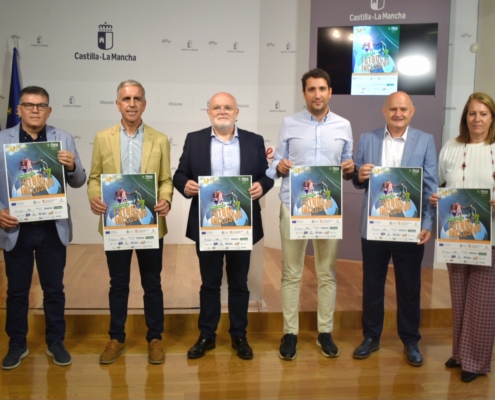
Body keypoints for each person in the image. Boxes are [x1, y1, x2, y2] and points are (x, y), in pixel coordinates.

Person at [173, 92, 273, 360]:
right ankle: (207, 335)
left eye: (228, 107)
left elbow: (266, 176)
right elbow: (180, 174)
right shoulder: (194, 140)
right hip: (208, 224)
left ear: (237, 112)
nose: (222, 111)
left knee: (239, 283)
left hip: (242, 223)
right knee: (210, 283)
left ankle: (239, 335)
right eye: (216, 107)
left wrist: (261, 185)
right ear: (209, 112)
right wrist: (186, 185)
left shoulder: (254, 140)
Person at [266, 68, 355, 360]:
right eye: (311, 89)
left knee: (327, 273)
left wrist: (350, 169)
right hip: (293, 205)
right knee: (291, 273)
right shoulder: (289, 123)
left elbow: (347, 166)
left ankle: (324, 332)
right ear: (304, 93)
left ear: (330, 92)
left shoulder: (344, 125)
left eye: (322, 89)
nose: (317, 94)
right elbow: (276, 164)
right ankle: (290, 333)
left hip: (327, 209)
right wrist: (279, 167)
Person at [87, 80, 173, 365]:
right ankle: (116, 338)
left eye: (137, 99)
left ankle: (155, 338)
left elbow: (165, 180)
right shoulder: (103, 138)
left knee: (152, 283)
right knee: (118, 283)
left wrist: (166, 199)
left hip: (150, 224)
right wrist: (94, 197)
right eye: (126, 99)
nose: (132, 104)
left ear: (144, 104)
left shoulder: (160, 139)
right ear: (118, 104)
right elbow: (95, 178)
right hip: (117, 223)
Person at [0, 86, 85, 369]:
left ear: (49, 111)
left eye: (41, 106)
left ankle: (55, 342)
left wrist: (72, 166)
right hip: (16, 229)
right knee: (17, 291)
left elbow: (78, 181)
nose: (35, 110)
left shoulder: (63, 138)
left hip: (52, 227)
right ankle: (17, 344)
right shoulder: (2, 140)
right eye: (29, 105)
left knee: (54, 289)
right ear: (19, 109)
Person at [352, 91, 438, 367]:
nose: (398, 114)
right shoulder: (368, 138)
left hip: (409, 228)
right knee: (372, 285)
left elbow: (431, 186)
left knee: (409, 287)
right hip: (375, 228)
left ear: (412, 111)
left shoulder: (425, 141)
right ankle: (371, 337)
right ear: (384, 111)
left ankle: (410, 340)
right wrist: (359, 175)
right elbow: (357, 178)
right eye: (393, 109)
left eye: (403, 109)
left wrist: (427, 223)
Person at [429, 92, 495, 383]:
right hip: (456, 235)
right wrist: (437, 197)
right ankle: (459, 352)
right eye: (472, 113)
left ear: (492, 118)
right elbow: (443, 183)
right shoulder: (451, 147)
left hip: (489, 237)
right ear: (465, 117)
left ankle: (476, 362)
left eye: (483, 113)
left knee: (482, 301)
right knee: (459, 296)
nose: (477, 119)